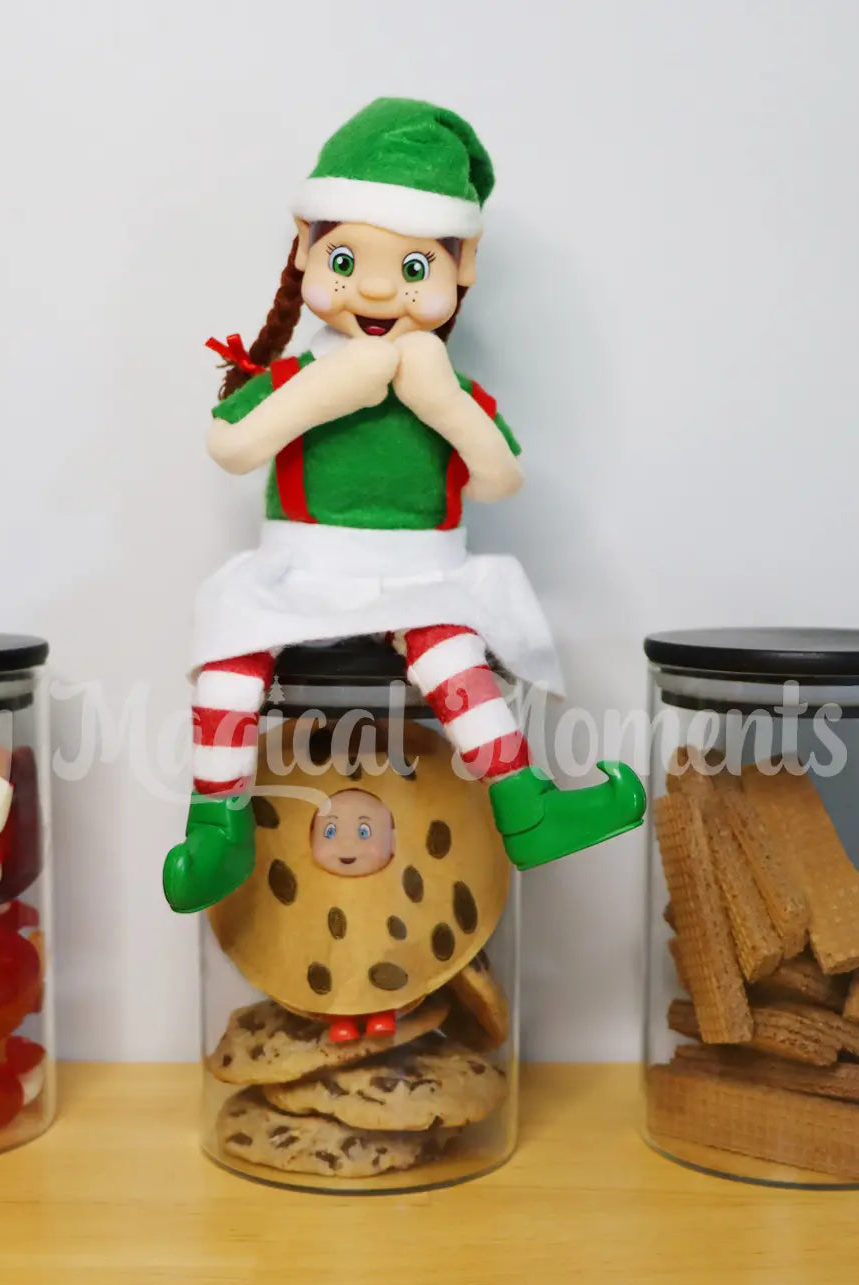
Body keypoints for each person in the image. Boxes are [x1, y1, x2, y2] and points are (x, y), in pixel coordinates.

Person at [164, 99, 644, 915]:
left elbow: (498, 477)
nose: (380, 288)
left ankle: (527, 811)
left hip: (420, 574)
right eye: (346, 260)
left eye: (415, 268)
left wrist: (441, 400)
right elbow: (231, 445)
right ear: (306, 252)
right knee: (232, 656)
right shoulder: (300, 376)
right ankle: (219, 825)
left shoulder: (442, 385)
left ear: (465, 270)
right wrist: (330, 385)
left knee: (454, 656)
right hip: (299, 568)